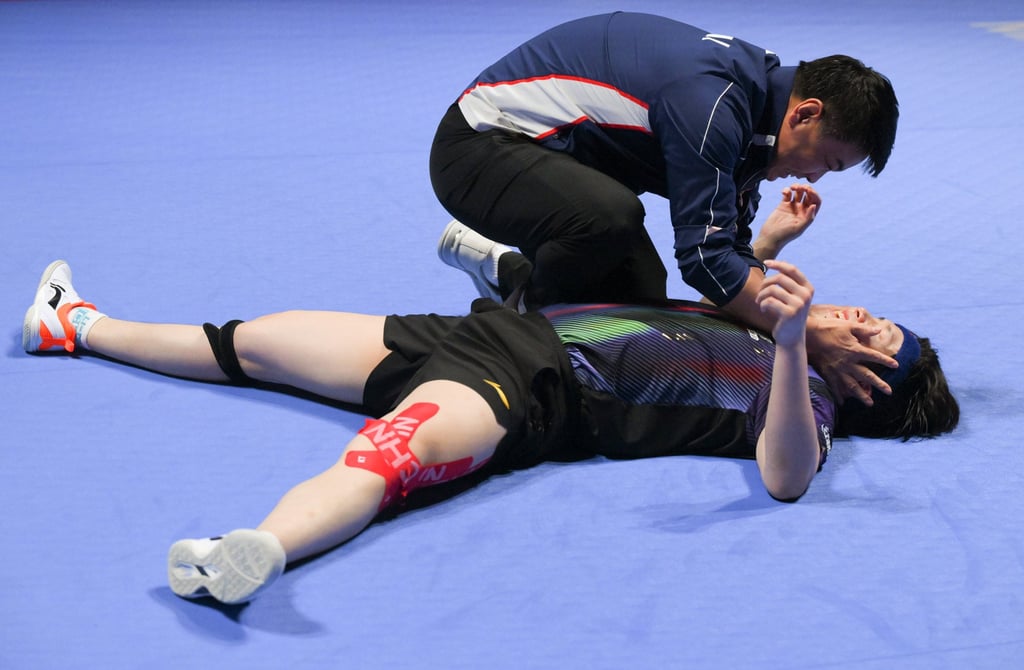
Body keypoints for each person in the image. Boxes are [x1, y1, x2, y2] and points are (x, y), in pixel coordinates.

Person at [22, 254, 957, 606]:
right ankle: (76, 324)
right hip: (487, 332)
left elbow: (788, 476)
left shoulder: (810, 400)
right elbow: (706, 301)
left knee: (387, 456)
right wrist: (770, 267)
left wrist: (796, 347)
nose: (864, 316)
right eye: (874, 313)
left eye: (880, 338)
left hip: (536, 384)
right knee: (254, 343)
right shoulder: (770, 331)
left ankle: (258, 548)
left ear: (871, 386)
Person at [430, 11, 900, 406]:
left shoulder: (759, 122)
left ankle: (503, 269)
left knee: (640, 306)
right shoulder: (712, 105)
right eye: (826, 161)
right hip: (475, 149)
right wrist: (804, 336)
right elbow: (705, 263)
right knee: (609, 219)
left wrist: (777, 271)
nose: (814, 176)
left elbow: (727, 252)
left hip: (557, 164)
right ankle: (516, 326)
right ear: (806, 114)